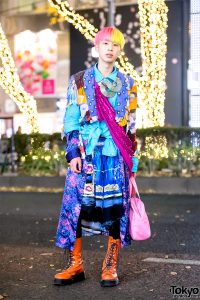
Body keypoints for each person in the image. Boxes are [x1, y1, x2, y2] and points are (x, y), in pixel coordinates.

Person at [54, 26, 138, 287]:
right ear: (96, 48)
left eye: (115, 45)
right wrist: (72, 153)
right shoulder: (79, 81)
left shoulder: (128, 84)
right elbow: (70, 118)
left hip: (114, 155)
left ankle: (109, 267)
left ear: (120, 51)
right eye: (105, 44)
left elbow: (130, 126)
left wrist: (131, 159)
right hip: (85, 154)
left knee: (114, 208)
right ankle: (75, 265)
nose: (110, 48)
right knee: (77, 207)